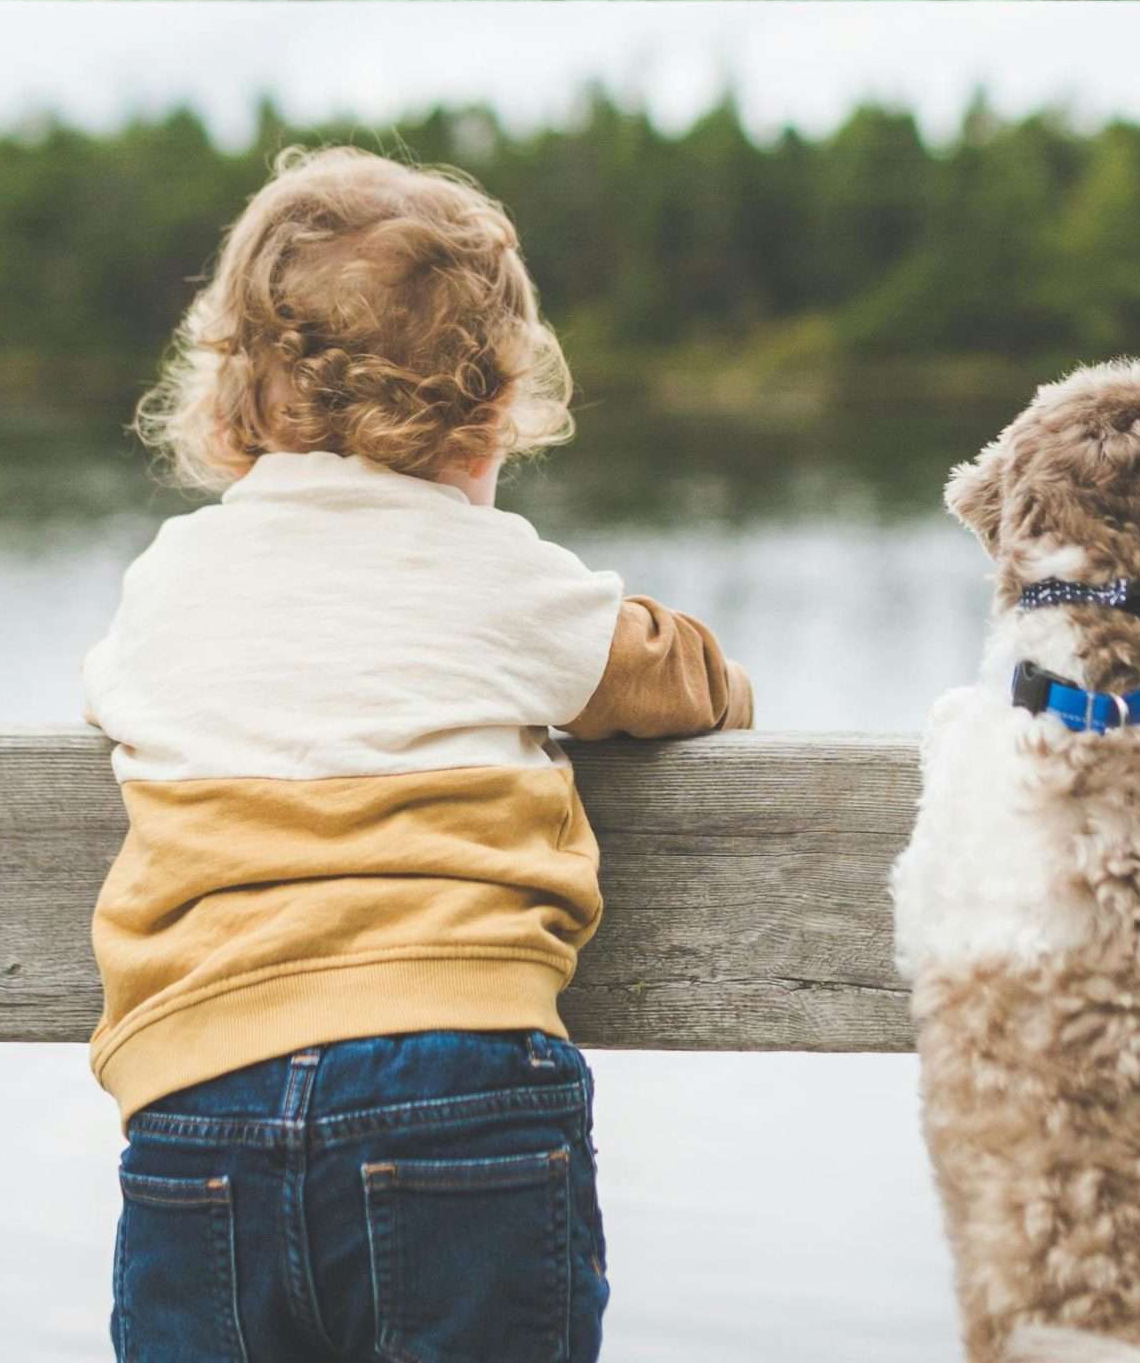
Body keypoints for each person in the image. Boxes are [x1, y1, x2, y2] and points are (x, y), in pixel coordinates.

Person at [82, 146, 753, 1362]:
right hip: (458, 1083)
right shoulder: (500, 577)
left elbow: (113, 697)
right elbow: (677, 683)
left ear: (232, 396)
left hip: (199, 1096)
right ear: (493, 408)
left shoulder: (169, 577)